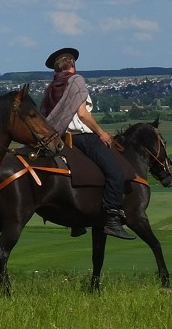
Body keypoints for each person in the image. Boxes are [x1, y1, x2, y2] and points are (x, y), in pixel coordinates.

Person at [40, 47, 134, 240]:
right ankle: (112, 218)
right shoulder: (77, 81)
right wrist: (101, 133)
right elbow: (82, 115)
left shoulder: (51, 88)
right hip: (83, 138)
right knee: (115, 173)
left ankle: (76, 221)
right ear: (72, 64)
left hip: (61, 141)